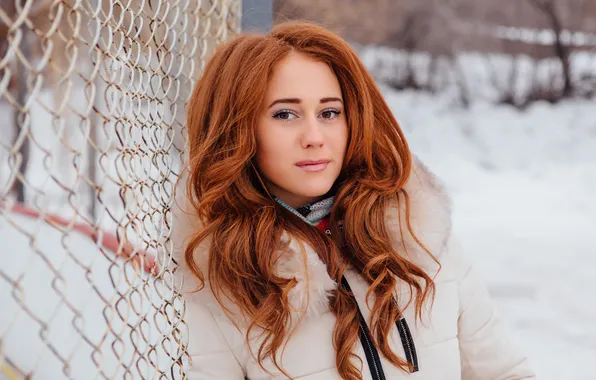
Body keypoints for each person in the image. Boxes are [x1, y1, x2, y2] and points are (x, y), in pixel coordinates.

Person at [171, 21, 535, 380]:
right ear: (238, 130)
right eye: (285, 114)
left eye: (329, 112)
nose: (314, 136)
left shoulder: (419, 232)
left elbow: (504, 372)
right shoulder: (222, 279)